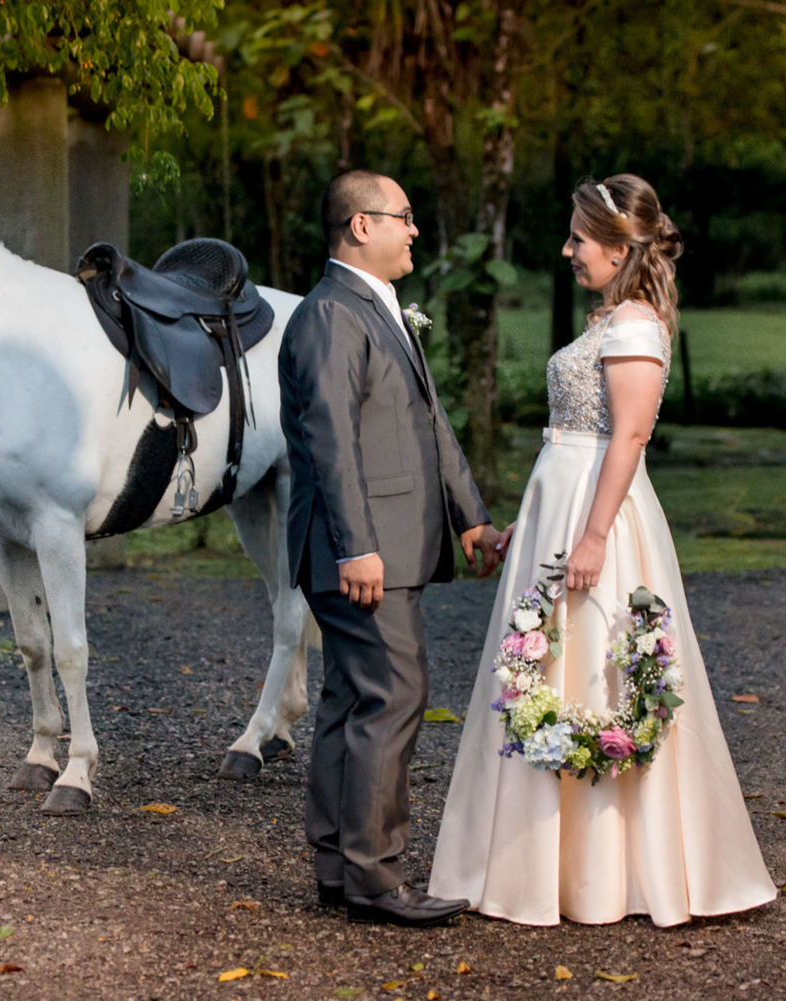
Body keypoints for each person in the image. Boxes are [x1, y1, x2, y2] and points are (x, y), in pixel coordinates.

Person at [428, 174, 776, 927]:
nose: (567, 250)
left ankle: (605, 874)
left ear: (620, 249)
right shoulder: (609, 317)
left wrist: (588, 535)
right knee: (541, 663)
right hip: (560, 507)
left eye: (579, 239)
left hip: (601, 519)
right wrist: (538, 519)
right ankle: (533, 867)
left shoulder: (636, 327)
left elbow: (629, 434)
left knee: (591, 669)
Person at [278, 169, 503, 928]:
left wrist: (468, 514)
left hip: (389, 541)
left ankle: (341, 866)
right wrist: (355, 547)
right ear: (361, 226)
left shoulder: (377, 311)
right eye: (404, 216)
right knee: (393, 694)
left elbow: (426, 421)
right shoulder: (329, 317)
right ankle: (377, 878)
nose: (414, 229)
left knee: (353, 696)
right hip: (361, 551)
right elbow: (330, 442)